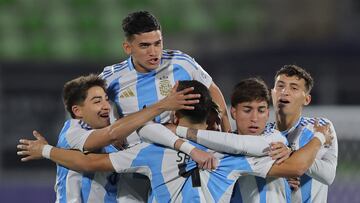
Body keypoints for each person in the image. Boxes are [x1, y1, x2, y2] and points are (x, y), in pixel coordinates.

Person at [18, 80, 332, 203]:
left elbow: (86, 161)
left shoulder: (151, 151)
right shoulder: (232, 155)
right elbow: (299, 165)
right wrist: (319, 137)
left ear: (174, 118)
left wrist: (44, 150)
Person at [41, 74, 213, 203]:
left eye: (107, 100)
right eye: (97, 101)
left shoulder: (117, 138)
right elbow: (108, 138)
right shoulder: (73, 130)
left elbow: (137, 132)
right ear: (77, 111)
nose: (106, 106)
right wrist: (163, 105)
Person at [269, 65, 338, 203]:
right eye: (280, 86)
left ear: (307, 99)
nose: (284, 91)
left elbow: (328, 176)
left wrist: (291, 154)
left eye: (294, 88)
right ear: (272, 93)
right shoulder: (262, 133)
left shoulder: (319, 128)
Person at [228, 78, 292, 203]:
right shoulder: (223, 148)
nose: (254, 118)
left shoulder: (277, 140)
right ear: (234, 113)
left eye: (261, 110)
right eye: (247, 110)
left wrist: (290, 152)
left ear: (268, 113)